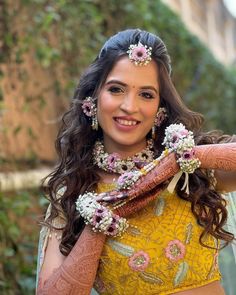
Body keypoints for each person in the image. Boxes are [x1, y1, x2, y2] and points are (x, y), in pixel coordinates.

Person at [36, 29, 236, 295]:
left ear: (159, 110)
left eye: (146, 94)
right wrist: (101, 220)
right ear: (93, 101)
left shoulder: (192, 171)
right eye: (116, 89)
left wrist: (182, 160)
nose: (130, 106)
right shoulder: (74, 192)